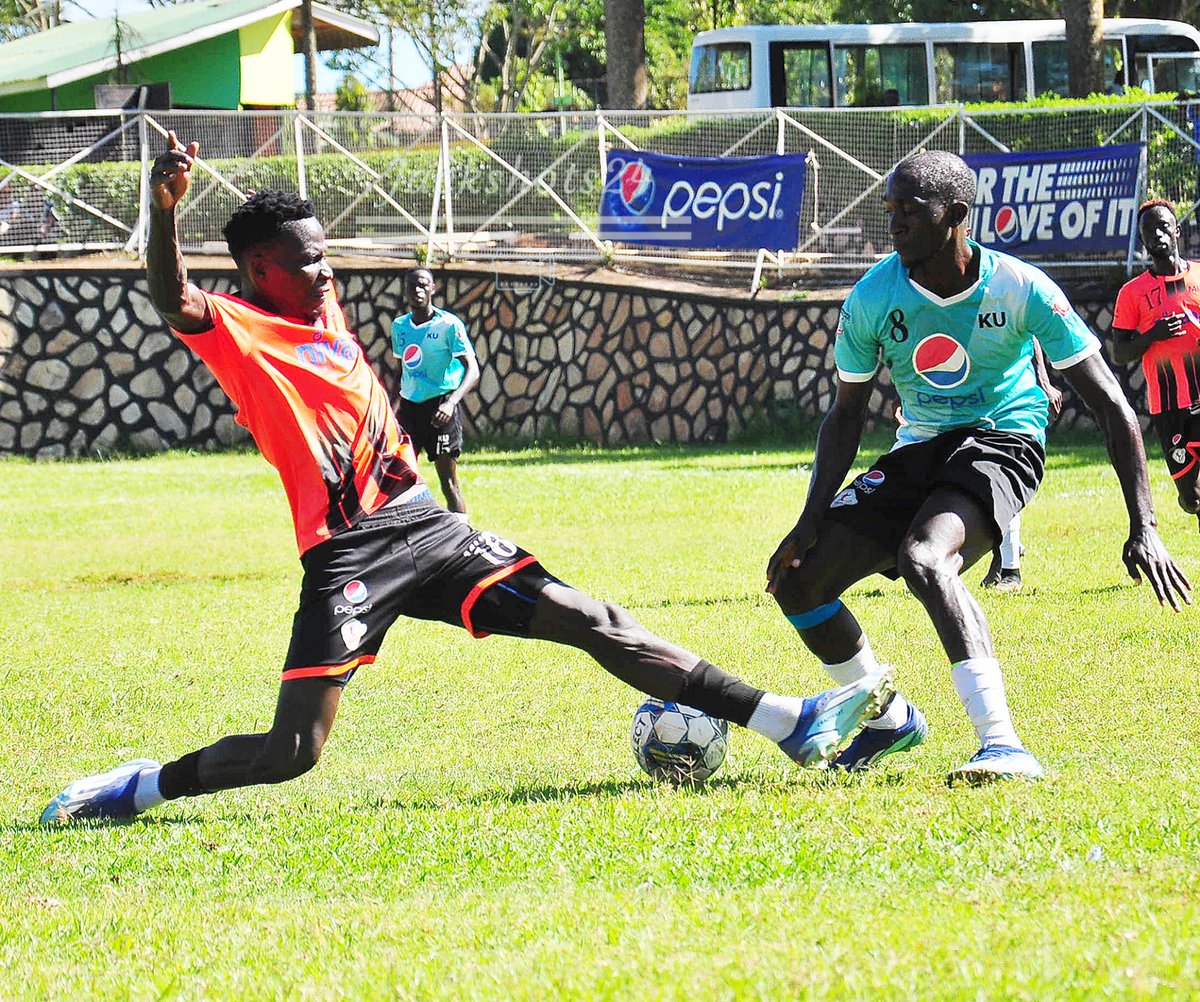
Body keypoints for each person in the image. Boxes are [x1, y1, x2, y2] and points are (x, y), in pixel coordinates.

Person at [40, 134, 894, 825]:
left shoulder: (322, 309)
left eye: (326, 256)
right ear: (261, 271)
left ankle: (791, 722)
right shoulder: (240, 329)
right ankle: (141, 786)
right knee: (291, 754)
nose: (326, 273)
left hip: (427, 524)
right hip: (350, 554)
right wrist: (160, 212)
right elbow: (171, 295)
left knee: (592, 618)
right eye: (305, 263)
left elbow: (315, 290)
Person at [766, 150, 1191, 786]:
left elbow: (1113, 408)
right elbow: (844, 416)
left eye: (911, 212)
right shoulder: (874, 296)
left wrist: (1145, 525)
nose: (896, 225)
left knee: (925, 558)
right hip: (919, 449)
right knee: (799, 581)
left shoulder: (1021, 287)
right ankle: (886, 719)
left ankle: (1003, 744)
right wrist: (808, 519)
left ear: (957, 216)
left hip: (1004, 440)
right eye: (890, 212)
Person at [1110, 199, 1200, 533]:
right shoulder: (1132, 293)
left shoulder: (1198, 275)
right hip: (1169, 406)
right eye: (1149, 231)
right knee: (1191, 496)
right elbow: (1120, 352)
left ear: (1177, 230)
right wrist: (1153, 334)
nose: (1158, 235)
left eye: (1164, 227)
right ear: (1143, 240)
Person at [391, 269, 479, 520]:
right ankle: (408, 537)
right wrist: (391, 409)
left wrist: (451, 403)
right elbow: (402, 372)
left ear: (433, 289)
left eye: (422, 286)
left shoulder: (448, 325)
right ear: (405, 291)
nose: (417, 291)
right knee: (402, 478)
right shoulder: (400, 327)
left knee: (448, 481)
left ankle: (463, 536)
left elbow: (472, 369)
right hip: (410, 410)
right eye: (411, 287)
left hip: (440, 409)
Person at [980, 341, 1065, 593]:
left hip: (1013, 403)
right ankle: (1005, 552)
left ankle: (1010, 570)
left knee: (1001, 479)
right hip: (974, 401)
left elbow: (1031, 335)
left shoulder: (1004, 302)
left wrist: (1044, 380)